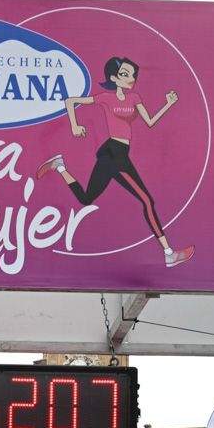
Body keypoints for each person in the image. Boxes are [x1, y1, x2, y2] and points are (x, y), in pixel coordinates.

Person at [36, 56, 194, 269]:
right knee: (147, 201)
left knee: (86, 199)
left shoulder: (135, 98)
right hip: (113, 152)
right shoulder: (106, 98)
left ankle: (60, 166)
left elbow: (150, 122)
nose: (131, 79)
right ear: (113, 78)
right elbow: (70, 101)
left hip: (118, 154)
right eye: (124, 74)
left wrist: (168, 104)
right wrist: (75, 125)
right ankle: (168, 253)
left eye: (132, 75)